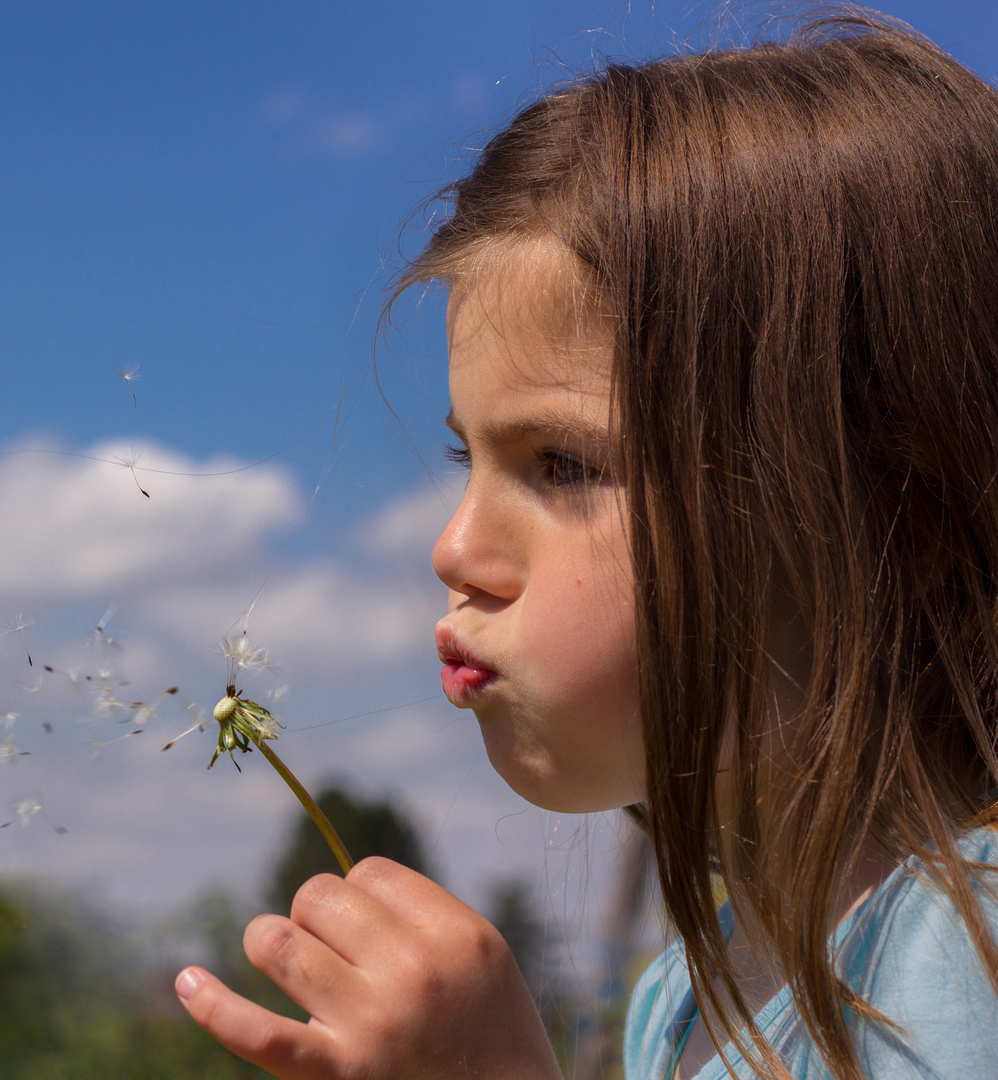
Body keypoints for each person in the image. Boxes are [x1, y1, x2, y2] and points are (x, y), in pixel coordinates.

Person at [174, 10, 998, 1079]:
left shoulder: (970, 959)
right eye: (470, 460)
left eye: (562, 464)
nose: (456, 549)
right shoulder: (681, 1002)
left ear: (899, 518)